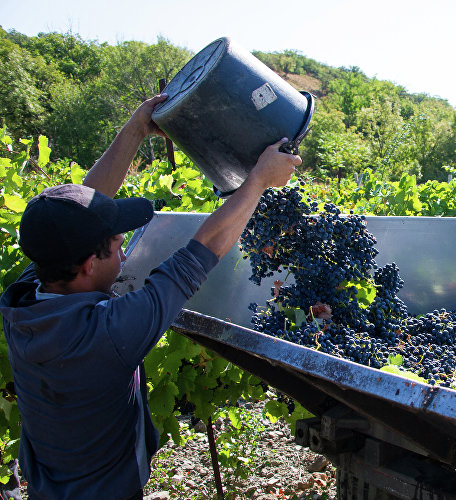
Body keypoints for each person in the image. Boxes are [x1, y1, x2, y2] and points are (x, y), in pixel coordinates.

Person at [0, 94, 301, 500]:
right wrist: (260, 180)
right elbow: (203, 249)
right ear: (89, 264)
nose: (125, 254)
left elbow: (74, 213)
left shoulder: (23, 299)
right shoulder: (106, 333)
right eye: (118, 244)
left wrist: (136, 129)